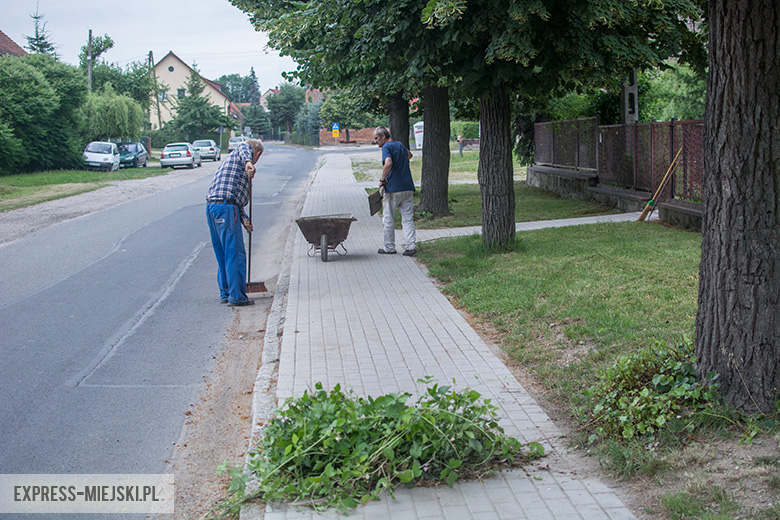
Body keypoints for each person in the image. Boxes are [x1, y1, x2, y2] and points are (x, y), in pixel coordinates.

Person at [206, 138, 264, 306]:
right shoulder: (244, 151)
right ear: (257, 154)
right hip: (225, 209)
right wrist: (248, 163)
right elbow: (244, 148)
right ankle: (237, 296)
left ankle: (226, 292)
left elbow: (233, 198)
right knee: (234, 253)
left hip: (213, 207)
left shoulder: (231, 163)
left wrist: (244, 219)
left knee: (223, 253)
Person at [373, 126, 417, 256]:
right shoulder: (400, 145)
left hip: (393, 188)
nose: (375, 141)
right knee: (408, 218)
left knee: (388, 218)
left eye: (376, 138)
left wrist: (382, 180)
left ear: (382, 136)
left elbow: (388, 163)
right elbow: (409, 155)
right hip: (407, 186)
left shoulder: (387, 147)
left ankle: (389, 248)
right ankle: (411, 246)